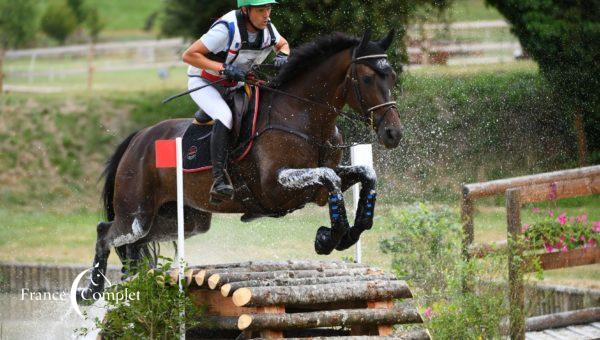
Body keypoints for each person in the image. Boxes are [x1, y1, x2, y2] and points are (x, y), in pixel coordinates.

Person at [182, 0, 290, 204]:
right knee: (225, 116)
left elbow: (283, 45)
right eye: (260, 10)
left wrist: (283, 56)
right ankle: (219, 179)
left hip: (235, 85)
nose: (267, 15)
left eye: (269, 9)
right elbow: (188, 55)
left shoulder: (268, 28)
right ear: (245, 10)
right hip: (205, 82)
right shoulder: (226, 29)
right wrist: (223, 68)